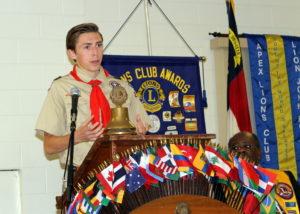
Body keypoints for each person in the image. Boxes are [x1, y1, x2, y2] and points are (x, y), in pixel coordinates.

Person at [35, 23, 151, 167]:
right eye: (87, 47)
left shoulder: (122, 87)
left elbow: (142, 129)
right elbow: (49, 147)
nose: (95, 52)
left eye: (99, 45)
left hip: (123, 172)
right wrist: (77, 137)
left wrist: (139, 134)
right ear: (72, 53)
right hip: (82, 175)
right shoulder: (61, 88)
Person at [228, 131, 300, 214]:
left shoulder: (283, 177)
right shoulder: (223, 185)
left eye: (247, 146)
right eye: (235, 148)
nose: (241, 151)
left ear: (258, 152)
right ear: (230, 154)